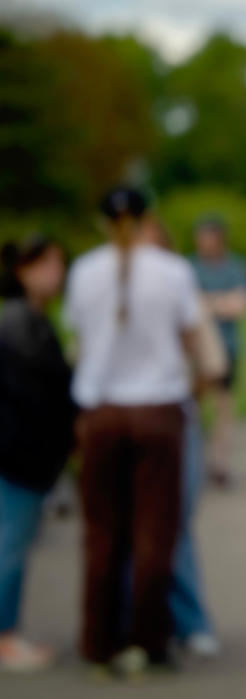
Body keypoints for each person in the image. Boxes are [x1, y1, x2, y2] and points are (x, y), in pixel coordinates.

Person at [66, 187, 202, 676]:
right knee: (154, 530)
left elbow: (81, 341)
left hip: (102, 411)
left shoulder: (84, 271)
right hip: (158, 408)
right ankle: (149, 637)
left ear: (104, 222)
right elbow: (189, 339)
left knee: (103, 532)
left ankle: (100, 640)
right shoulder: (172, 271)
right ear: (148, 217)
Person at [136, 220, 226, 658]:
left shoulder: (182, 296)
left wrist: (181, 402)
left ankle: (188, 621)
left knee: (173, 522)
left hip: (173, 420)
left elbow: (210, 363)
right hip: (131, 423)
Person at [0, 236, 75, 672]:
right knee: (11, 545)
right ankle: (5, 635)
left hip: (28, 456)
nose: (57, 273)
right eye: (47, 264)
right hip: (19, 457)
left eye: (59, 263)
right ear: (22, 270)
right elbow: (38, 396)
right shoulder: (18, 324)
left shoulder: (30, 320)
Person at [189, 217, 246, 488]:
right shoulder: (189, 267)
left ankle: (220, 464)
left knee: (223, 407)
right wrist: (219, 303)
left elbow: (239, 305)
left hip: (226, 347)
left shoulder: (235, 266)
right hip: (195, 351)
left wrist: (206, 303)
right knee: (193, 408)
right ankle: (194, 462)